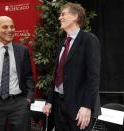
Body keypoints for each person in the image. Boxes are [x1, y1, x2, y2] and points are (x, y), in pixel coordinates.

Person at [42, 2, 101, 131]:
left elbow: (93, 77)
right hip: (58, 104)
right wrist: (50, 101)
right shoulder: (62, 43)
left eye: (63, 14)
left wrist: (87, 106)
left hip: (78, 105)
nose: (59, 18)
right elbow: (57, 74)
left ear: (75, 16)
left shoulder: (89, 40)